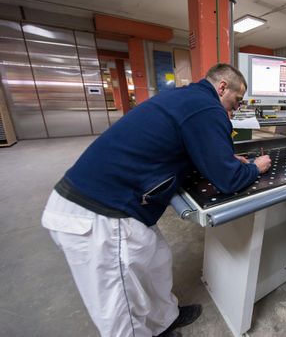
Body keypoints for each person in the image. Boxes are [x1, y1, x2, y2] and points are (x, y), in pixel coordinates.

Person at [41, 63, 272, 337]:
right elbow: (228, 180)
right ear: (222, 87)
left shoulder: (185, 97)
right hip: (99, 212)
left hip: (119, 201)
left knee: (156, 260)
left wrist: (220, 157)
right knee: (121, 308)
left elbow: (185, 141)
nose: (234, 111)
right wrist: (255, 167)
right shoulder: (209, 108)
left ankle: (164, 321)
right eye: (236, 102)